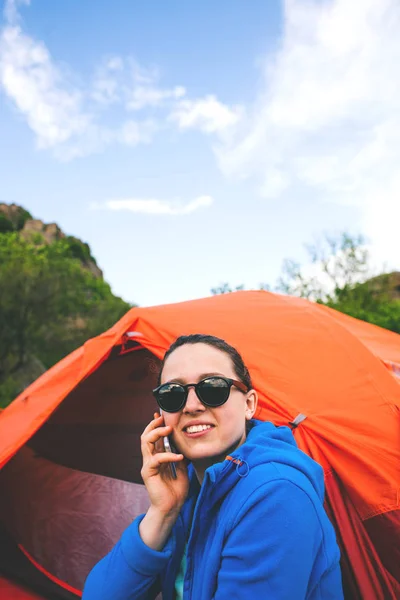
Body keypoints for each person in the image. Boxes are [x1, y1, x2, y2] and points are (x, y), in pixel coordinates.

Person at [83, 333, 344, 599]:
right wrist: (163, 511)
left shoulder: (276, 493)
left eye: (213, 387)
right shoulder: (188, 492)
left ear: (249, 404)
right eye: (172, 393)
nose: (192, 406)